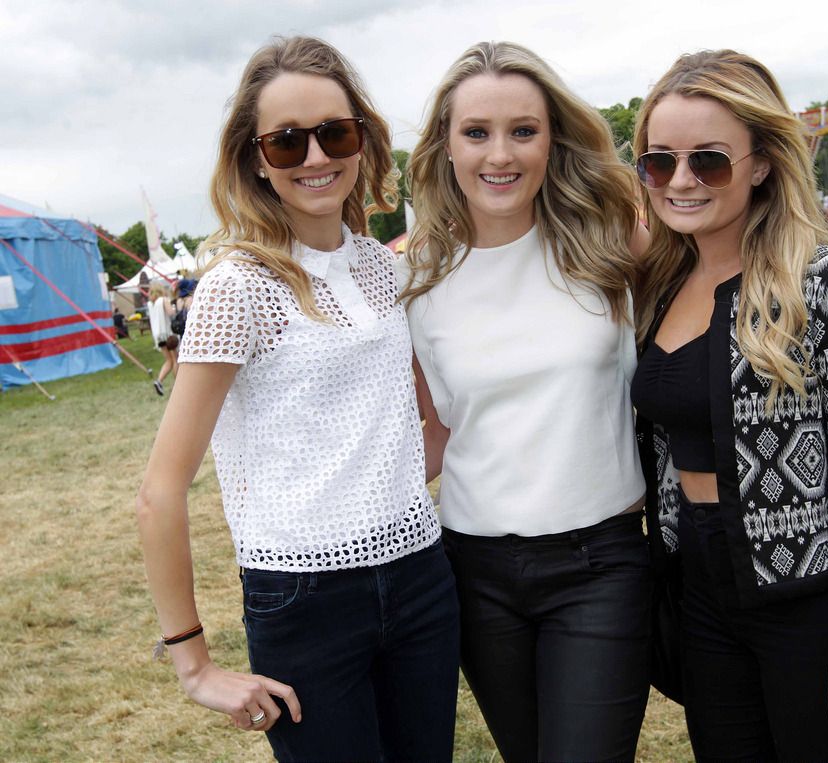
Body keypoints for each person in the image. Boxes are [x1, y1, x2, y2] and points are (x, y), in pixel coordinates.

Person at [135, 36, 459, 762]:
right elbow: (160, 489)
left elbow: (421, 429)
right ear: (255, 158)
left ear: (362, 140)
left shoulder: (385, 268)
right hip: (304, 599)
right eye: (287, 142)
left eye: (334, 133)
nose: (315, 158)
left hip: (420, 580)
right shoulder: (236, 285)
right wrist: (193, 664)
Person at [630, 50, 828, 761]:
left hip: (803, 594)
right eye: (660, 162)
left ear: (759, 162)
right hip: (700, 591)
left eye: (709, 161)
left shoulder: (826, 276)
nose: (682, 180)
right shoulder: (661, 281)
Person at [399, 41, 651, 762]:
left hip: (600, 563)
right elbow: (436, 430)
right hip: (476, 574)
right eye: (476, 132)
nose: (499, 154)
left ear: (553, 139)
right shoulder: (414, 275)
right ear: (446, 146)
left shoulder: (609, 242)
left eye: (523, 130)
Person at [147, 283, 177, 395]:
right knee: (175, 360)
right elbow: (171, 313)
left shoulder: (151, 304)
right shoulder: (164, 300)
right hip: (167, 333)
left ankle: (159, 381)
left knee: (168, 360)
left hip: (158, 335)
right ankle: (177, 384)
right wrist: (173, 307)